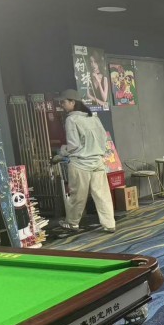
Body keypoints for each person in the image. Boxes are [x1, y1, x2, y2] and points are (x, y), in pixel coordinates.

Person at [53, 89, 115, 232]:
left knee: (77, 196)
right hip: (98, 162)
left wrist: (62, 152)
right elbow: (104, 138)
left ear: (72, 102)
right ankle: (109, 224)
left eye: (63, 102)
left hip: (80, 164)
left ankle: (72, 223)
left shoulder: (71, 119)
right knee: (103, 196)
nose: (62, 105)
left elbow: (73, 145)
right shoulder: (93, 118)